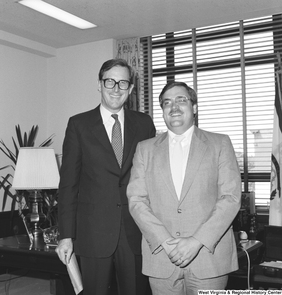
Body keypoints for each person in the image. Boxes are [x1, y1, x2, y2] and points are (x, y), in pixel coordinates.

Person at [127, 81, 241, 294]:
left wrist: (197, 241)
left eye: (181, 100)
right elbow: (136, 201)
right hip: (161, 257)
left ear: (194, 107)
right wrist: (165, 242)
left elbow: (230, 198)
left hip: (209, 259)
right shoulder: (145, 149)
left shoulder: (220, 144)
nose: (174, 107)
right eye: (167, 102)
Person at [55, 58, 156, 295]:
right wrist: (66, 236)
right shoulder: (79, 125)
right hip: (92, 233)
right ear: (99, 85)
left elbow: (153, 179)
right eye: (110, 81)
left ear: (131, 89)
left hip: (135, 232)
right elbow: (68, 184)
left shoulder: (144, 124)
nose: (116, 88)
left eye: (123, 83)